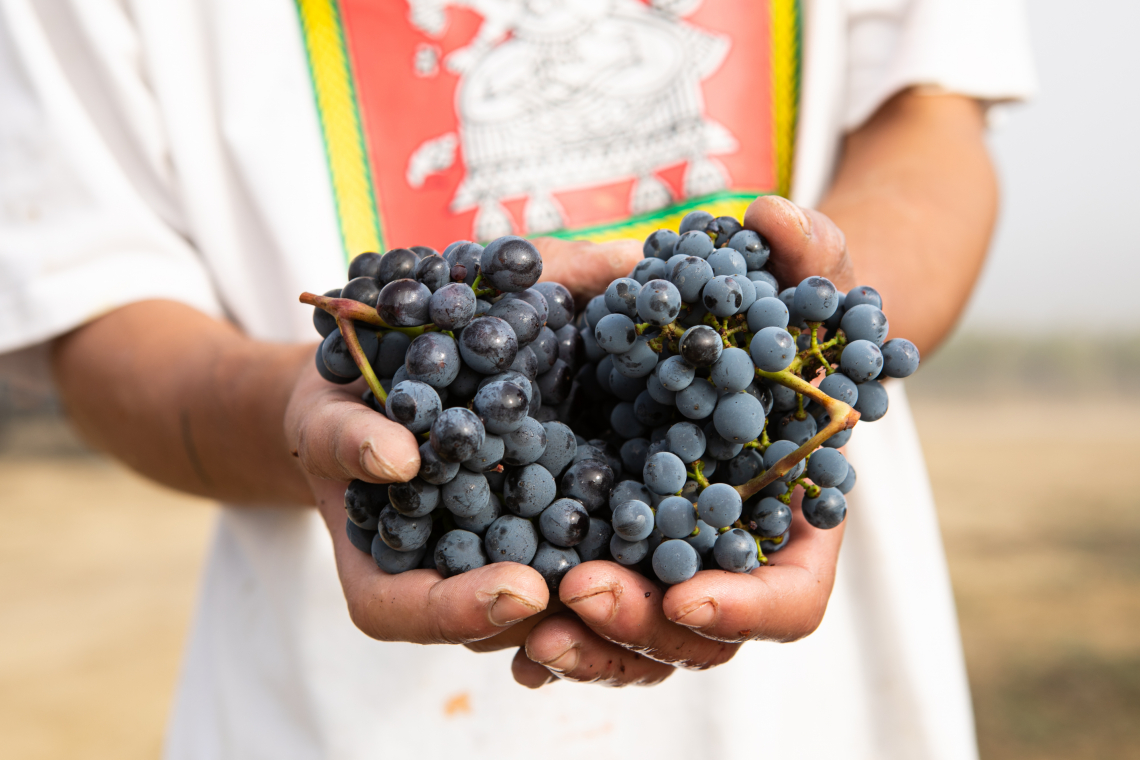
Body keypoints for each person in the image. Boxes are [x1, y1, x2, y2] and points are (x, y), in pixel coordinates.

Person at [0, 1, 1034, 758]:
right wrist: (293, 410)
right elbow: (99, 310)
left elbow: (930, 115)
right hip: (326, 717)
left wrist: (813, 323)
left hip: (818, 712)